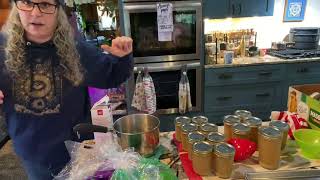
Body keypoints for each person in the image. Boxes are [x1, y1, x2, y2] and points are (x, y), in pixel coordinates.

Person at [0, 0, 133, 179]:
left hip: (76, 152)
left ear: (58, 11)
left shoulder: (77, 50)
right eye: (27, 2)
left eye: (45, 4)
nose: (35, 12)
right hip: (31, 154)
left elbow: (112, 76)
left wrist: (122, 58)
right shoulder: (2, 47)